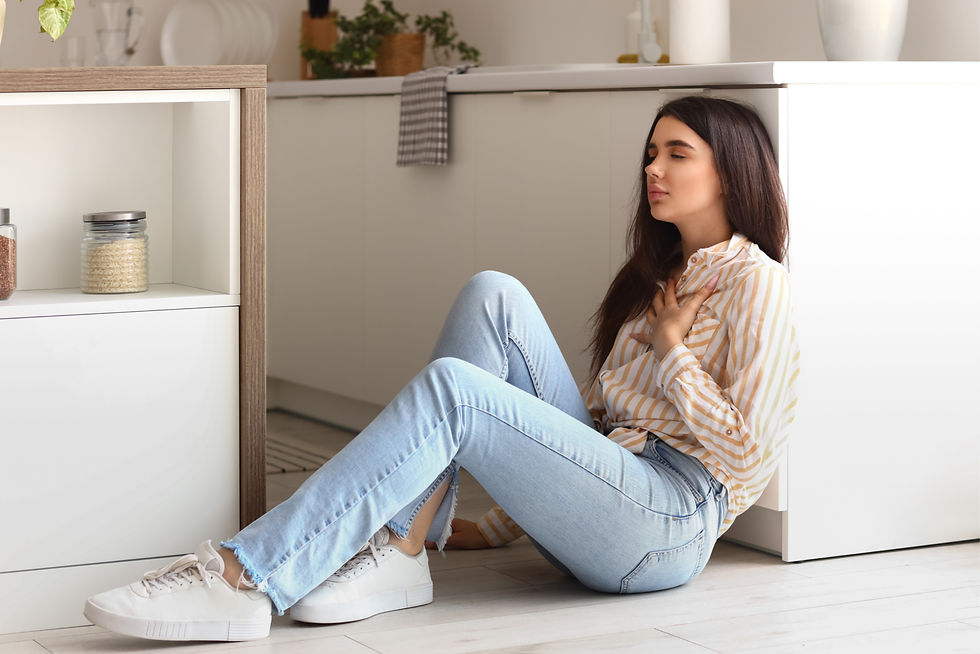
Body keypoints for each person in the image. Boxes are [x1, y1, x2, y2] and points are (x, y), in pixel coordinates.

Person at [84, 95, 799, 642]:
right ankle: (403, 546)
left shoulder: (757, 282)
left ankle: (245, 577)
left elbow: (747, 453)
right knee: (495, 294)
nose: (652, 168)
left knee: (457, 392)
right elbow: (591, 437)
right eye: (651, 152)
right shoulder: (660, 276)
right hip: (620, 503)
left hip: (670, 525)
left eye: (677, 153)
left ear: (731, 176)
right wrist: (497, 527)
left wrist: (673, 353)